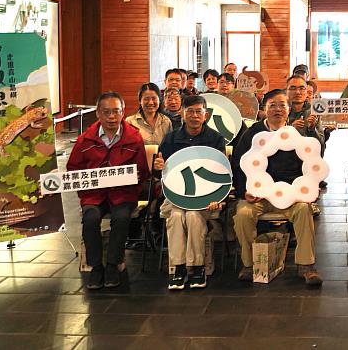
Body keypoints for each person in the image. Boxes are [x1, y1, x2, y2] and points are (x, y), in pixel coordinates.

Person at [231, 89, 323, 286]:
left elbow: (309, 167)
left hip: (290, 195)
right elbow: (238, 166)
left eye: (282, 105)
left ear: (289, 110)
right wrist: (244, 192)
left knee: (304, 210)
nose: (278, 109)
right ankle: (249, 264)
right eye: (272, 105)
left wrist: (305, 191)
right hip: (258, 196)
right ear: (264, 109)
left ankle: (306, 265)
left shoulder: (296, 135)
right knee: (242, 215)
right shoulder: (252, 134)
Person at [67, 91, 150, 290]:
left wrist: (133, 180)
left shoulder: (134, 138)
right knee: (90, 218)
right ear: (98, 113)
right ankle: (96, 266)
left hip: (123, 193)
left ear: (123, 112)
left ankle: (113, 264)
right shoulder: (85, 140)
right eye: (106, 112)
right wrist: (86, 192)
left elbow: (142, 171)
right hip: (94, 195)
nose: (111, 117)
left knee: (121, 218)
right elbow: (73, 169)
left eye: (116, 112)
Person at [154, 95, 226, 290]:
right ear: (182, 114)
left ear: (206, 115)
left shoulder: (215, 139)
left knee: (194, 216)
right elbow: (159, 172)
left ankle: (197, 267)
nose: (194, 116)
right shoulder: (170, 138)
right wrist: (158, 166)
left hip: (206, 197)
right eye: (190, 112)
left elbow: (223, 173)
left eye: (198, 112)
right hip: (176, 196)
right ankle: (178, 268)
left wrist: (217, 198)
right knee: (176, 216)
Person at [286, 75, 324, 153]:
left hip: (307, 158)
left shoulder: (312, 112)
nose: (297, 92)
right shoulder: (281, 110)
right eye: (293, 88)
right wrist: (291, 129)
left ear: (306, 92)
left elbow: (321, 144)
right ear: (286, 91)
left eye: (302, 88)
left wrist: (312, 129)